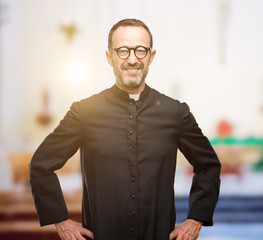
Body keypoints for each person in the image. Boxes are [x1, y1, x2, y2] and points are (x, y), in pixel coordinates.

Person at [29, 18, 221, 240]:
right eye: (123, 51)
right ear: (109, 57)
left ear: (151, 56)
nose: (132, 59)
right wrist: (61, 221)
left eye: (140, 50)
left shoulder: (175, 113)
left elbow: (208, 165)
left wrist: (195, 219)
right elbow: (40, 165)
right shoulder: (85, 112)